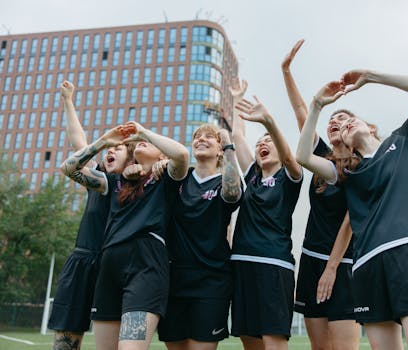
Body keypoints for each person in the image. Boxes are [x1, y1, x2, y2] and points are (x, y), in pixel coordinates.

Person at [296, 70, 408, 350]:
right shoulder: (346, 171)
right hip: (367, 265)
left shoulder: (404, 140)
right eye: (339, 125)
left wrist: (371, 77)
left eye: (348, 120)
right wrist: (317, 105)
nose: (342, 125)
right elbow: (302, 157)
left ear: (370, 128)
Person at [61, 121, 189, 350]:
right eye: (138, 142)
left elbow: (181, 154)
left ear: (161, 155)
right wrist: (102, 143)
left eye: (148, 143)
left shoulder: (167, 179)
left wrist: (144, 132)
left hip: (145, 268)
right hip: (109, 269)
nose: (141, 142)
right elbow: (69, 168)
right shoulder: (116, 182)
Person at [281, 40, 360, 350]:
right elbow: (303, 113)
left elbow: (350, 222)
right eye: (331, 120)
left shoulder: (360, 166)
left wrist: (332, 268)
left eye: (342, 119)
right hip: (312, 260)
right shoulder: (322, 158)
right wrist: (286, 70)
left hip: (343, 263)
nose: (334, 122)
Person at [48, 81, 135, 350]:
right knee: (65, 343)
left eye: (117, 149)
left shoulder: (131, 186)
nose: (110, 151)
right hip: (83, 260)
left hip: (113, 267)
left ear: (131, 160)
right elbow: (79, 146)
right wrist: (68, 102)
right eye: (109, 149)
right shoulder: (99, 179)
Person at [229, 78, 303, 350]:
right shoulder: (252, 178)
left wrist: (269, 123)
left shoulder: (290, 177)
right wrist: (237, 98)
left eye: (269, 141)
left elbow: (289, 159)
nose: (263, 144)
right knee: (250, 340)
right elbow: (237, 137)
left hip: (273, 265)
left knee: (273, 340)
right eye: (260, 141)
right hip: (241, 264)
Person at [157, 124, 243, 350]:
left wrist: (229, 145)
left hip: (212, 281)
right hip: (174, 279)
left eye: (209, 137)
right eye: (196, 137)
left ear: (219, 150)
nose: (201, 139)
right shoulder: (179, 178)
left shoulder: (225, 181)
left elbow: (234, 194)